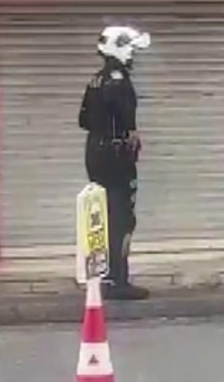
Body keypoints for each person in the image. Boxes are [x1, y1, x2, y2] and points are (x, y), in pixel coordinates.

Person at [78, 24, 151, 301]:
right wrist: (128, 136)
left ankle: (102, 274)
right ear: (118, 48)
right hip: (116, 155)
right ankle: (118, 280)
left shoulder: (95, 80)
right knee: (122, 217)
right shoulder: (120, 82)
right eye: (131, 49)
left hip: (95, 152)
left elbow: (83, 120)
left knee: (102, 214)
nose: (132, 55)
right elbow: (128, 120)